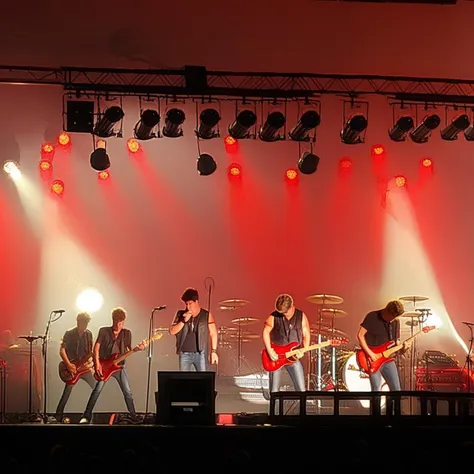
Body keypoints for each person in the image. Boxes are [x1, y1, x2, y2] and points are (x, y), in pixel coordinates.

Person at [79, 307, 144, 424]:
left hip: (119, 367)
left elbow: (129, 349)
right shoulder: (104, 331)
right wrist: (97, 364)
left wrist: (138, 349)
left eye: (120, 323)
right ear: (112, 320)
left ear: (123, 322)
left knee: (127, 392)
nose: (117, 325)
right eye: (115, 322)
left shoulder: (127, 333)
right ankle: (86, 416)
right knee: (97, 390)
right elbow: (96, 347)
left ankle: (134, 416)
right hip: (104, 365)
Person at [262, 294, 310, 392]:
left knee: (301, 391)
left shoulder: (301, 316)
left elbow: (306, 333)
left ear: (292, 306)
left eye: (285, 312)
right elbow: (265, 332)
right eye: (281, 313)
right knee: (274, 391)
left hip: (293, 356)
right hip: (277, 357)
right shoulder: (274, 316)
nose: (284, 314)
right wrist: (270, 351)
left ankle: (301, 406)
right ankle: (274, 406)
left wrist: (304, 350)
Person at [357, 299, 407, 391]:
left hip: (388, 359)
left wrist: (404, 348)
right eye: (392, 316)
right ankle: (375, 405)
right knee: (376, 390)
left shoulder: (395, 322)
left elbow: (396, 344)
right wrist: (370, 354)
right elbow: (360, 335)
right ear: (386, 311)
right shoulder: (372, 316)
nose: (393, 319)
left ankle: (393, 406)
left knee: (396, 390)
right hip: (372, 358)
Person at [53, 312, 94, 422]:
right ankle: (58, 416)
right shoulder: (69, 333)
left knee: (97, 388)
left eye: (87, 323)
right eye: (83, 323)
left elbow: (90, 353)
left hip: (83, 368)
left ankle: (91, 415)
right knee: (67, 392)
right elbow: (62, 350)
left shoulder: (89, 334)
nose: (85, 325)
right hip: (71, 367)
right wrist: (69, 365)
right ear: (78, 322)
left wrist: (90, 364)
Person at [169, 287, 218, 371]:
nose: (188, 307)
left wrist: (213, 351)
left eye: (190, 304)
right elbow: (172, 331)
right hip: (184, 353)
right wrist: (183, 321)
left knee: (202, 380)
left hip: (200, 353)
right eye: (186, 304)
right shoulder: (181, 314)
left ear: (196, 302)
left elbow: (213, 333)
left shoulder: (206, 315)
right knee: (184, 381)